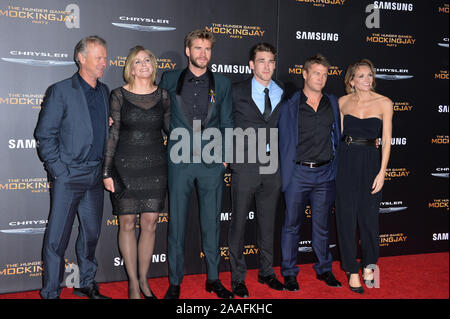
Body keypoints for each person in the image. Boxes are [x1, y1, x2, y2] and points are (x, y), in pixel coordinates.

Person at [159, 29, 234, 299]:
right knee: (176, 223)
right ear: (187, 51)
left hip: (212, 162)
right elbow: (157, 112)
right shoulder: (169, 79)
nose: (203, 54)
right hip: (179, 160)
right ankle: (175, 281)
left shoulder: (222, 83)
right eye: (198, 48)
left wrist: (226, 157)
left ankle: (213, 278)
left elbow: (226, 120)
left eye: (207, 49)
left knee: (211, 223)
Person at [35, 36, 111, 299]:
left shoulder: (104, 91)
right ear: (81, 58)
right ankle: (51, 292)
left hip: (94, 175)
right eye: (99, 57)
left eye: (105, 57)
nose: (105, 62)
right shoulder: (61, 90)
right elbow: (45, 135)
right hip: (68, 175)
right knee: (57, 240)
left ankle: (86, 282)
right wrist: (59, 171)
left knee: (90, 235)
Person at [102, 46, 170, 299]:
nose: (144, 65)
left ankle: (144, 279)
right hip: (124, 167)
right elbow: (114, 133)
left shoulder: (163, 96)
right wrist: (107, 171)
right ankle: (132, 282)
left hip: (155, 167)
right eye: (138, 61)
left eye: (148, 60)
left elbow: (172, 131)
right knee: (127, 222)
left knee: (150, 223)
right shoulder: (118, 95)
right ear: (130, 67)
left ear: (153, 65)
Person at [278, 54, 342, 291]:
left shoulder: (333, 103)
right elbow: (279, 139)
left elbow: (344, 131)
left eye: (325, 74)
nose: (321, 78)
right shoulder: (290, 105)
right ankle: (289, 273)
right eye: (316, 73)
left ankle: (325, 270)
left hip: (325, 174)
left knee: (322, 226)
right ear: (304, 74)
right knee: (292, 225)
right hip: (297, 174)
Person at [228, 42, 285, 298]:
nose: (267, 66)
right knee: (238, 224)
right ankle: (238, 278)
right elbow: (224, 122)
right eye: (261, 61)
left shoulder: (281, 91)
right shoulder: (236, 90)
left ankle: (266, 272)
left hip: (272, 167)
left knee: (267, 223)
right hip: (244, 165)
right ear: (251, 65)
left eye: (271, 61)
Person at [336, 59, 392, 294]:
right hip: (346, 161)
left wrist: (382, 171)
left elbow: (387, 142)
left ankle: (370, 267)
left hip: (371, 162)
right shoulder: (342, 102)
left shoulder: (385, 103)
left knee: (369, 220)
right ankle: (350, 270)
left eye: (369, 75)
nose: (367, 80)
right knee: (346, 219)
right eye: (361, 76)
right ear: (351, 81)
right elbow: (338, 137)